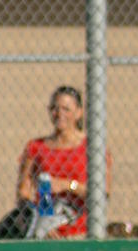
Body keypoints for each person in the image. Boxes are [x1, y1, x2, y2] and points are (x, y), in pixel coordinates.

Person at [15, 84, 113, 239]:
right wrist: (40, 222)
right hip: (46, 232)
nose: (60, 113)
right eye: (55, 108)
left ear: (79, 113)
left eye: (66, 109)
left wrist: (68, 185)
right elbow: (24, 192)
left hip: (80, 230)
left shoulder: (92, 147)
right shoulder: (36, 147)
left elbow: (103, 193)